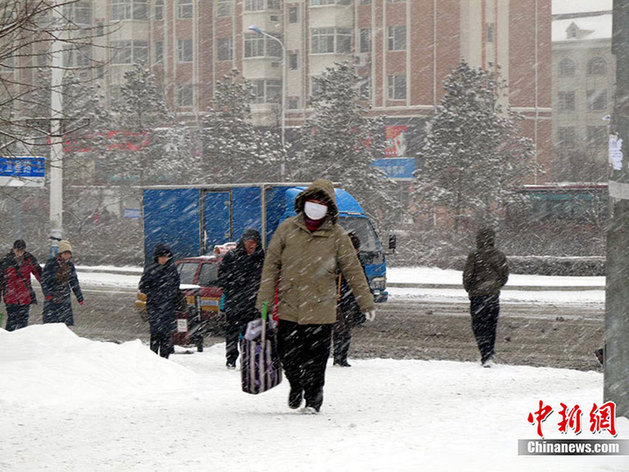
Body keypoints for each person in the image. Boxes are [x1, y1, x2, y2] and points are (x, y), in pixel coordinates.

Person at [256, 179, 375, 413]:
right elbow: (271, 267)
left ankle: (312, 400)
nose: (316, 206)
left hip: (321, 309)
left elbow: (353, 270)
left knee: (316, 360)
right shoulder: (286, 230)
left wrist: (365, 301)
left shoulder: (337, 235)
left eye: (322, 202)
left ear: (329, 207)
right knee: (287, 355)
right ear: (303, 202)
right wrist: (264, 302)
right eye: (313, 201)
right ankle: (296, 384)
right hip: (290, 306)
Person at [462, 227, 509, 368]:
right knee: (491, 325)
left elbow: (468, 275)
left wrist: (470, 289)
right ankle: (489, 352)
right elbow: (504, 276)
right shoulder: (499, 256)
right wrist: (495, 287)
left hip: (478, 296)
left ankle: (484, 352)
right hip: (492, 296)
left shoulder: (474, 255)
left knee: (478, 325)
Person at [218, 228, 265, 369]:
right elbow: (222, 277)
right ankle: (231, 358)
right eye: (248, 242)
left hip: (252, 303)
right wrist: (233, 286)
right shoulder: (232, 256)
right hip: (235, 301)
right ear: (243, 242)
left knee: (250, 333)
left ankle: (248, 359)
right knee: (232, 333)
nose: (251, 246)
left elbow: (267, 277)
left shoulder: (261, 257)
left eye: (254, 243)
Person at [139, 243, 180, 358]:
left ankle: (164, 358)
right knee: (156, 332)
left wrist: (172, 296)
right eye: (161, 257)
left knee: (166, 334)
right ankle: (154, 357)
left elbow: (176, 286)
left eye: (166, 257)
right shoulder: (150, 269)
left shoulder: (172, 270)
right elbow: (143, 286)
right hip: (154, 305)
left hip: (168, 306)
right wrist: (155, 293)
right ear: (157, 257)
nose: (163, 259)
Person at [333, 231, 365, 368]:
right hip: (337, 298)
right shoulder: (338, 261)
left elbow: (361, 281)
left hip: (350, 299)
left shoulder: (358, 262)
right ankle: (337, 356)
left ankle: (343, 357)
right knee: (339, 328)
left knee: (347, 329)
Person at [0, 239, 43, 331]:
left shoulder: (29, 259)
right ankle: (10, 341)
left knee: (23, 323)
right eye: (17, 250)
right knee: (12, 320)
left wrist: (46, 288)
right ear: (13, 249)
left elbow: (39, 274)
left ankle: (21, 341)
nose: (19, 253)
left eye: (22, 251)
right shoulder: (6, 261)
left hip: (25, 297)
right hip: (10, 297)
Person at [42, 240, 84, 326]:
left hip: (65, 298)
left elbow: (74, 282)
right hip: (52, 298)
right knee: (51, 324)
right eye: (66, 253)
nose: (68, 256)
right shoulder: (51, 263)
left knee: (64, 325)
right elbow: (44, 280)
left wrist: (79, 297)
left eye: (69, 254)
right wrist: (47, 294)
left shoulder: (70, 266)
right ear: (61, 253)